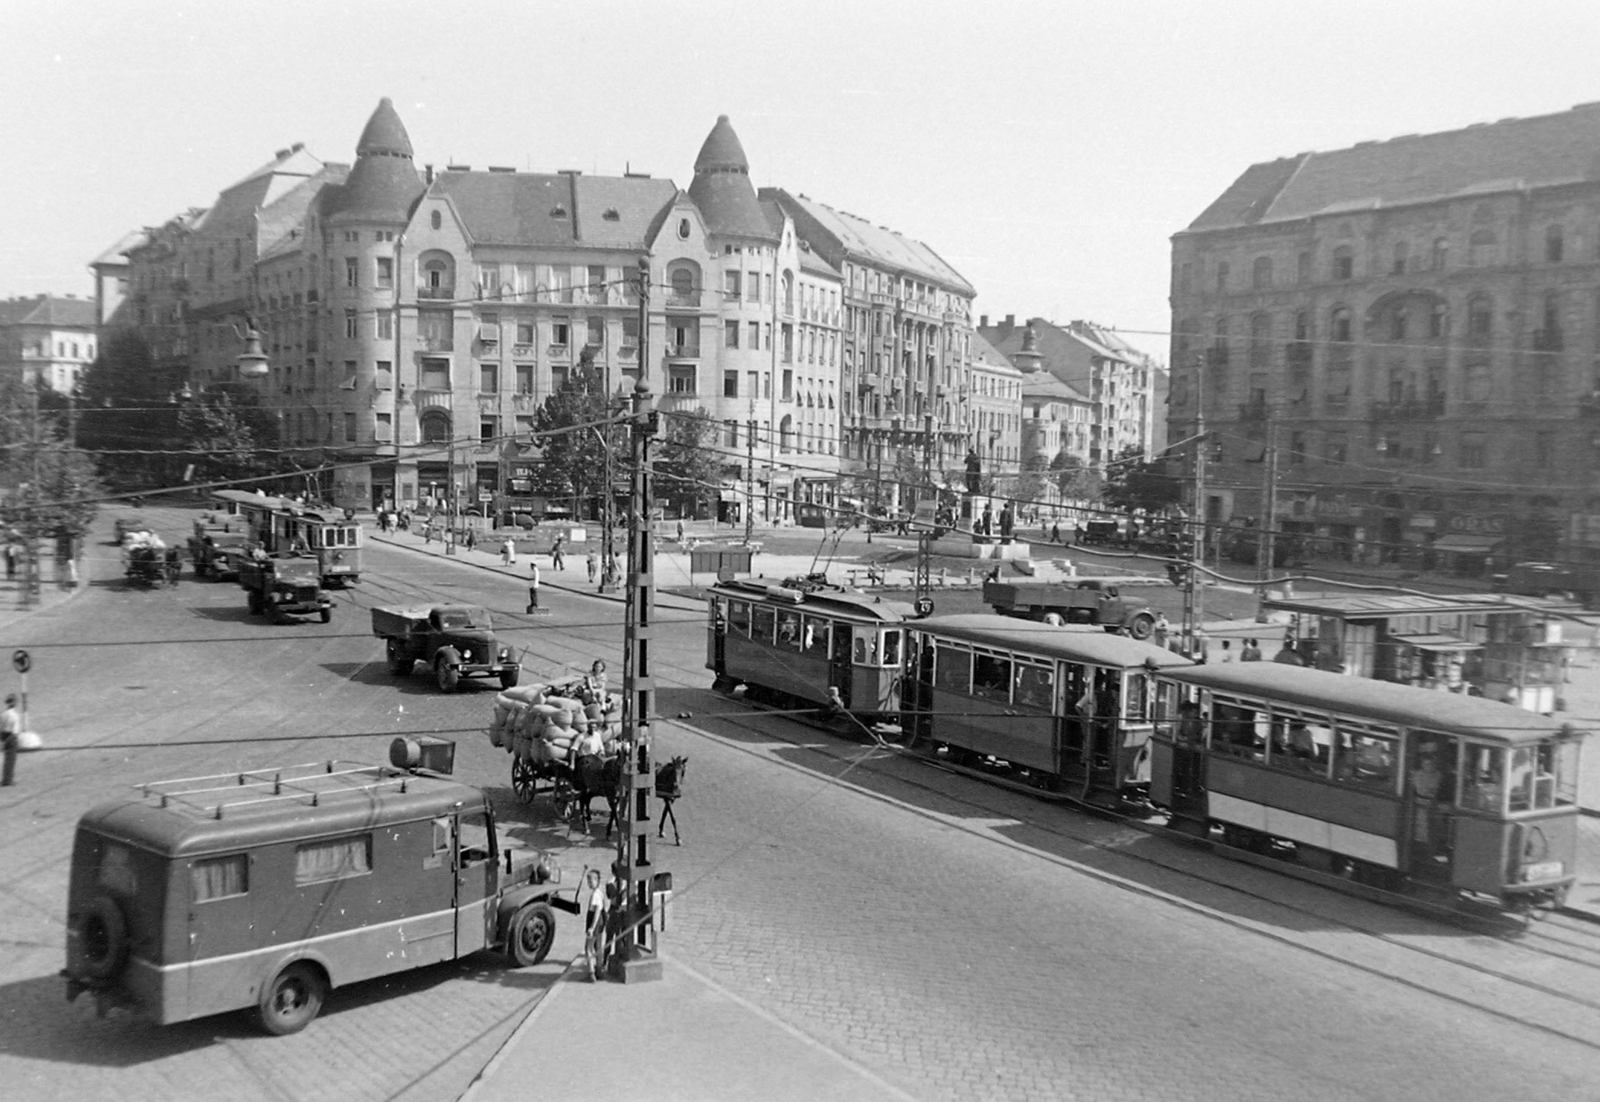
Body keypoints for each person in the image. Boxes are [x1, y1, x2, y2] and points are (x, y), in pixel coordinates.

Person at [581, 868, 609, 980]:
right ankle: (599, 970)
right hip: (600, 923)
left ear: (597, 880)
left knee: (588, 948)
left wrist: (591, 927)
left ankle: (591, 972)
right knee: (597, 947)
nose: (589, 883)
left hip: (594, 922)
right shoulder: (600, 892)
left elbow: (597, 912)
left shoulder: (595, 895)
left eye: (591, 881)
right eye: (588, 881)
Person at [1, 694, 18, 786]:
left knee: (7, 759)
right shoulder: (13, 715)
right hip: (11, 736)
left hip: (4, 736)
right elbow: (10, 728)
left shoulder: (3, 714)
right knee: (11, 759)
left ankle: (6, 778)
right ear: (14, 703)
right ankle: (8, 780)